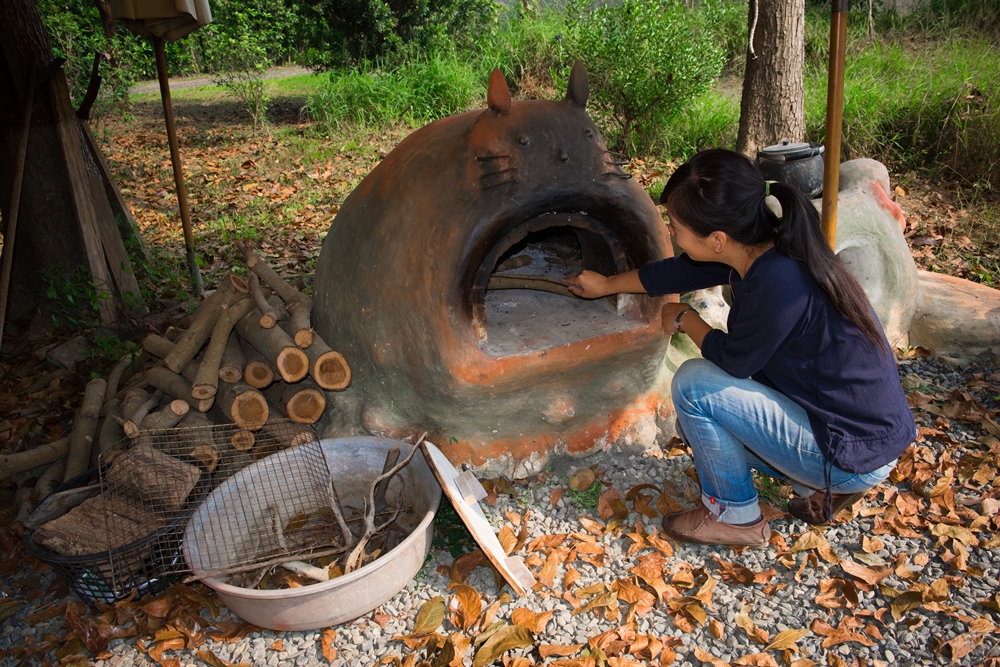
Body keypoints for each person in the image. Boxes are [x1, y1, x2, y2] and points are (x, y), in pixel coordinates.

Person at [565, 149, 914, 547]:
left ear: (717, 240)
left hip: (849, 448)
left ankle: (738, 517)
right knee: (693, 425)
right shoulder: (763, 247)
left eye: (675, 226)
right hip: (856, 432)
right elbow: (678, 270)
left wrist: (686, 319)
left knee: (694, 386)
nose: (671, 232)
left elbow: (734, 360)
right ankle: (810, 485)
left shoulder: (780, 281)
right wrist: (606, 285)